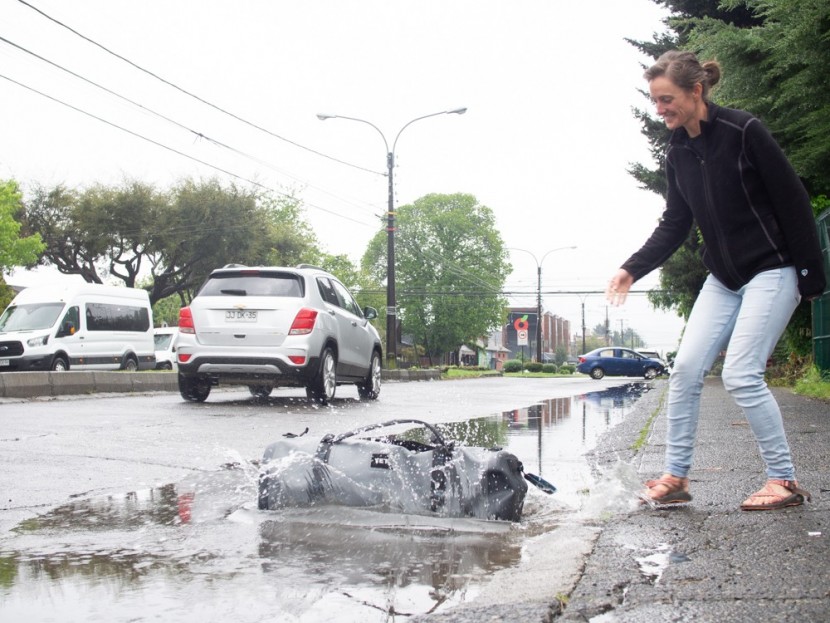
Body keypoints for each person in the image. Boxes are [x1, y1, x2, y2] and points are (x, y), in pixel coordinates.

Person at [606, 50, 826, 511]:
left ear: (695, 91)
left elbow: (793, 201)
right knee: (685, 369)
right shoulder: (678, 151)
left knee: (741, 373)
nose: (660, 108)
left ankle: (783, 480)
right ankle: (677, 478)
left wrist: (809, 276)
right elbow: (675, 222)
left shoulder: (743, 131)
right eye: (654, 100)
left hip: (773, 267)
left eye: (666, 99)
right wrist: (632, 268)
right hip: (725, 278)